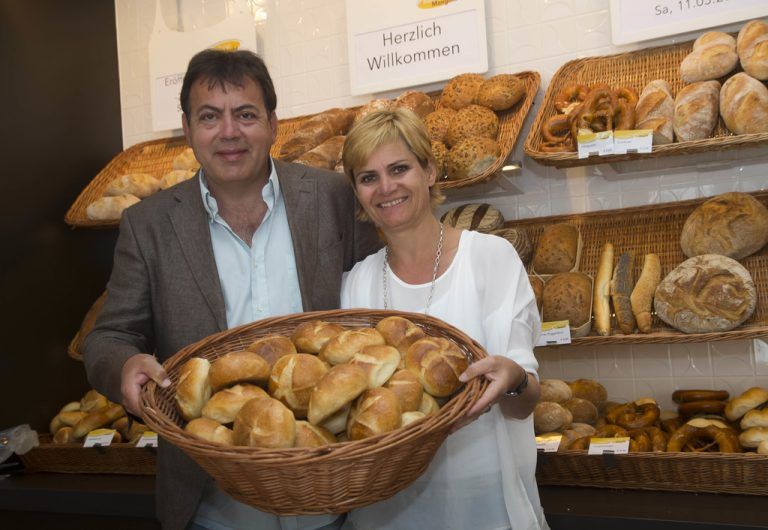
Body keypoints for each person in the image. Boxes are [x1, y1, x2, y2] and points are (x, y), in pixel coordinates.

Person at [83, 49, 379, 530]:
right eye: (209, 117)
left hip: (333, 490)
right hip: (213, 505)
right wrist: (124, 366)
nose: (229, 132)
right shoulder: (149, 225)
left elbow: (374, 298)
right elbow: (109, 336)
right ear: (187, 128)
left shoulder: (329, 196)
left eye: (245, 114)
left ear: (273, 122)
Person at [339, 108, 548, 530]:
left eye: (400, 168)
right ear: (357, 192)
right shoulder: (355, 284)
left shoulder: (490, 259)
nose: (386, 187)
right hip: (387, 510)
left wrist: (514, 377)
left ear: (430, 171)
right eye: (368, 177)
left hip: (483, 503)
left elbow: (523, 406)